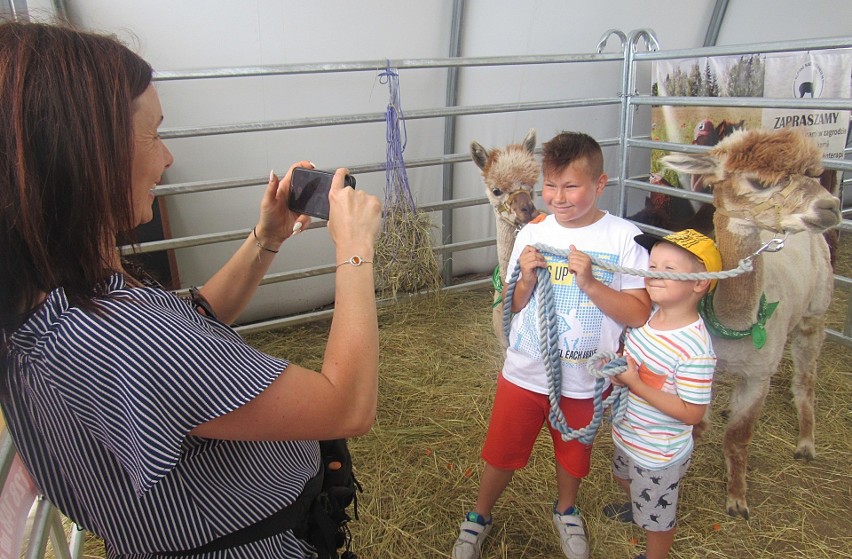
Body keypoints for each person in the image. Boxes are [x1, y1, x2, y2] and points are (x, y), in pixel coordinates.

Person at [0, 21, 382, 559]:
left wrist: (266, 237)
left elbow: (194, 320)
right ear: (85, 154)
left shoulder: (53, 302)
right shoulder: (116, 336)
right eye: (152, 134)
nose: (168, 157)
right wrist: (355, 251)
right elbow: (348, 406)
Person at [452, 131, 651, 559]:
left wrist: (592, 284)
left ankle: (566, 509)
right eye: (551, 185)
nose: (558, 198)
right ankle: (479, 515)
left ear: (599, 185)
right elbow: (512, 305)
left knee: (574, 455)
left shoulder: (624, 239)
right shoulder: (532, 233)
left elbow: (638, 313)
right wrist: (523, 279)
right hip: (524, 371)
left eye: (571, 186)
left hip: (585, 379)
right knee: (501, 451)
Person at [604, 229, 720, 559]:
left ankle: (656, 552)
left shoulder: (694, 349)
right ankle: (640, 504)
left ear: (700, 283)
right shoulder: (648, 319)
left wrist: (636, 383)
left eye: (668, 271)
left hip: (659, 452)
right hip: (630, 433)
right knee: (621, 475)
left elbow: (692, 413)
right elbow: (635, 364)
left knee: (658, 519)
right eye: (652, 266)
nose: (654, 275)